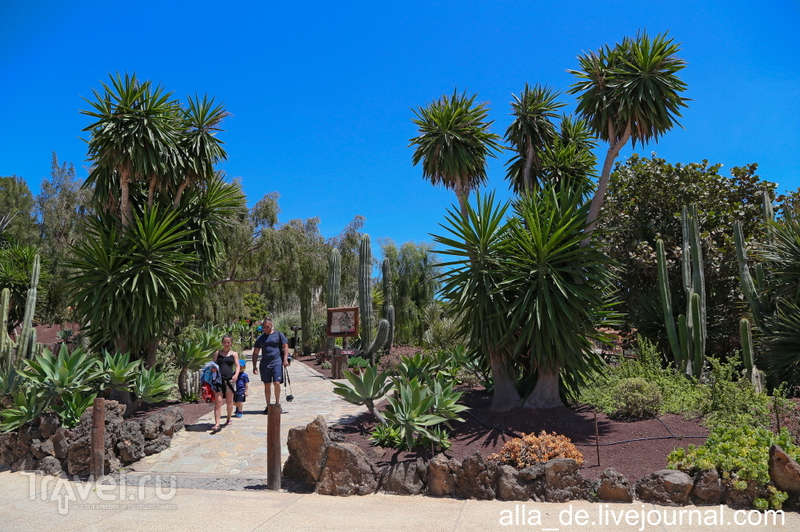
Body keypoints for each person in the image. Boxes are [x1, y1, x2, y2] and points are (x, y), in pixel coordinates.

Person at [252, 317, 289, 413]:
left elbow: (285, 347)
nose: (265, 329)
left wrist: (285, 359)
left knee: (276, 383)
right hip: (265, 364)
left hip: (277, 362)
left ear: (271, 326)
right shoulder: (260, 338)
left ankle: (277, 405)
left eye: (267, 327)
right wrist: (254, 366)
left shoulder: (279, 335)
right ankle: (268, 406)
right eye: (264, 327)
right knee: (267, 384)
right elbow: (255, 352)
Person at [211, 334, 239, 432]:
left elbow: (237, 365)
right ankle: (217, 423)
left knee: (229, 402)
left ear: (231, 343)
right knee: (218, 402)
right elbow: (213, 364)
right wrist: (213, 369)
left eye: (228, 342)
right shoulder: (217, 353)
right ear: (222, 343)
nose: (226, 344)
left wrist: (236, 374)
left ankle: (228, 418)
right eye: (225, 342)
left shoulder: (234, 354)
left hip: (230, 380)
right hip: (219, 380)